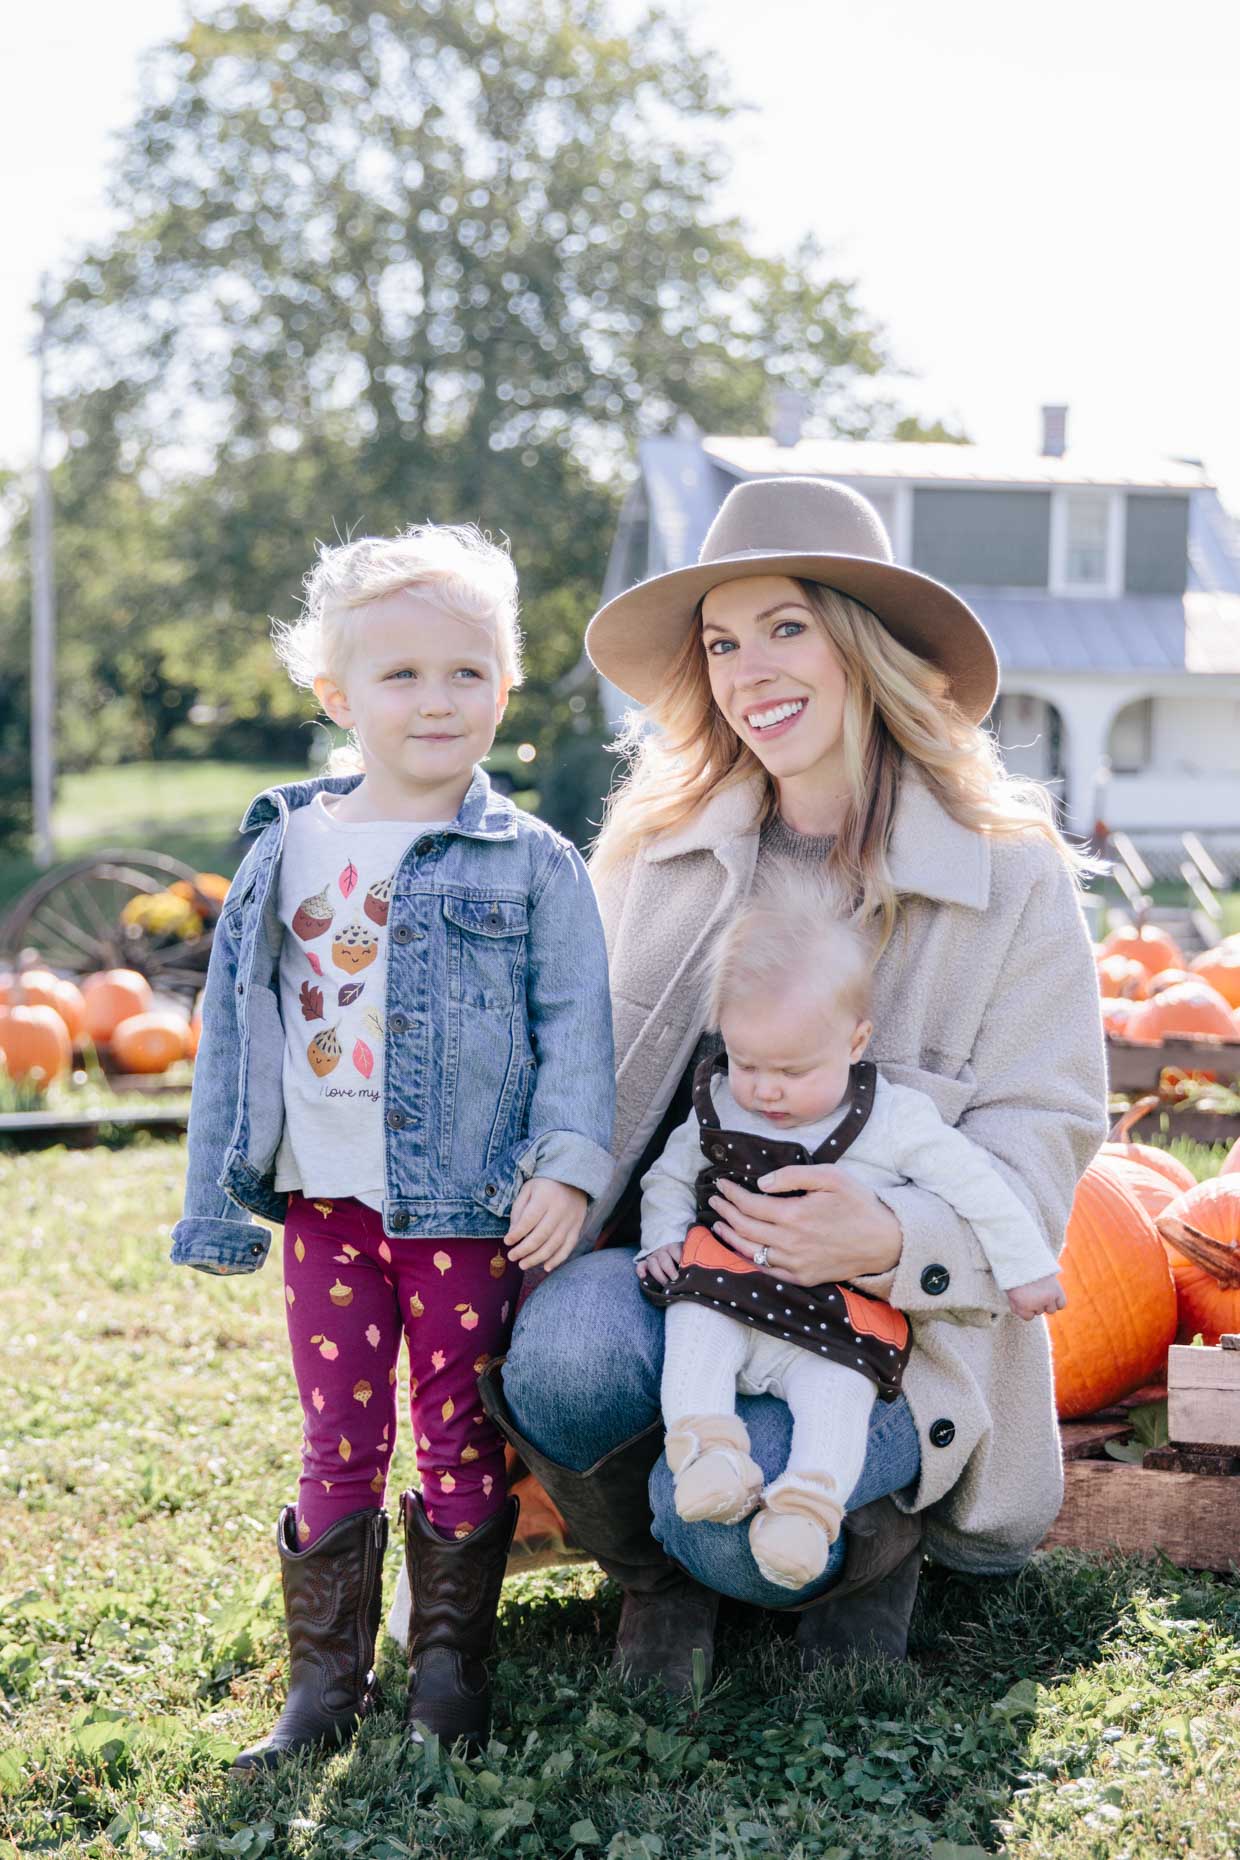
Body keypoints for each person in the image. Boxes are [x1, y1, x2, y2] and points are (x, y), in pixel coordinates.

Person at [482, 474, 1107, 1692]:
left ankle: (866, 1549)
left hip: (880, 1334)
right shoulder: (661, 854)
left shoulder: (1007, 879)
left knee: (723, 1513)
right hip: (696, 1284)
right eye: (721, 642)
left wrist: (890, 1233)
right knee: (563, 1366)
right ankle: (660, 1578)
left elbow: (1049, 1130)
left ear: (860, 646)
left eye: (785, 628)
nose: (747, 670)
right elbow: (579, 1077)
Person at [169, 525, 614, 1767]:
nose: (435, 700)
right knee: (337, 1432)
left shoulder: (532, 865)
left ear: (504, 687)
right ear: (336, 695)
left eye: (465, 673)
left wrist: (570, 1163)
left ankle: (449, 1674)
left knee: (459, 1429)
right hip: (328, 1206)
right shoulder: (284, 849)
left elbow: (579, 1030)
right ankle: (322, 1689)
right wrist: (216, 1192)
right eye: (400, 675)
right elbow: (231, 1033)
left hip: (468, 1209)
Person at [637, 877, 1064, 1593]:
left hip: (831, 1323)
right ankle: (707, 1446)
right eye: (746, 1063)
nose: (765, 1091)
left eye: (793, 1071)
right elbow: (670, 1178)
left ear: (856, 1040)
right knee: (693, 1330)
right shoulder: (720, 1101)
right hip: (727, 1290)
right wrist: (663, 1238)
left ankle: (808, 1505)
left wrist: (1024, 1269)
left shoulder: (892, 1120)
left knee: (841, 1392)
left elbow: (978, 1187)